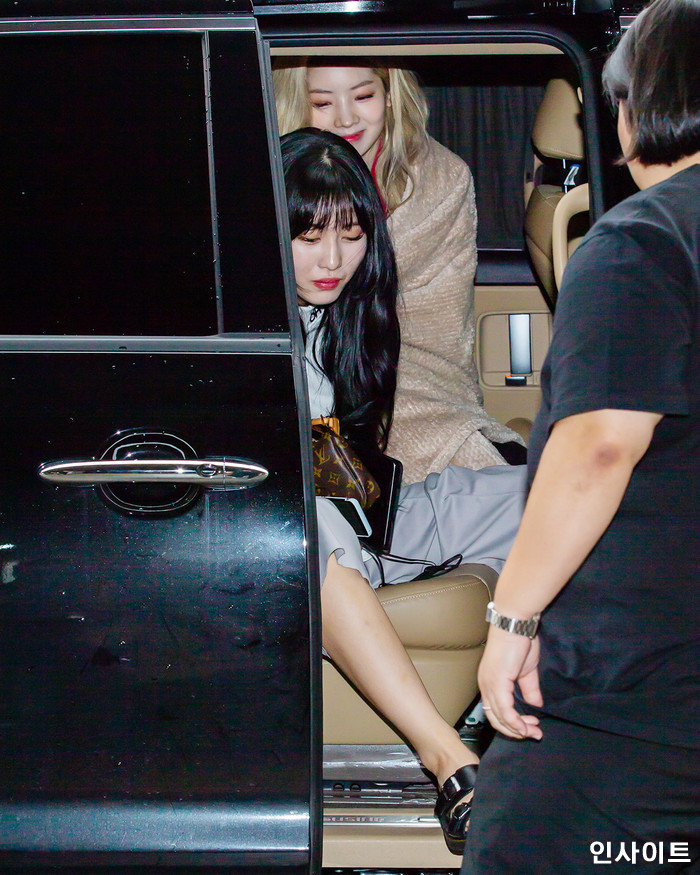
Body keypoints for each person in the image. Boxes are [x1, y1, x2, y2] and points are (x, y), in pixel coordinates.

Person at [462, 1, 700, 871]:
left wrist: (513, 618)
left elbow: (600, 444)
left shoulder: (641, 239)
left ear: (637, 109)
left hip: (634, 700)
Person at [281, 128, 527, 854]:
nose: (333, 260)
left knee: (542, 493)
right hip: (306, 533)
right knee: (310, 528)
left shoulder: (340, 315)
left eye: (351, 235)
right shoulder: (251, 332)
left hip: (368, 512)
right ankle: (449, 760)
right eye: (308, 237)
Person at [274, 61, 525, 485]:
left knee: (486, 476)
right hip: (302, 385)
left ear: (391, 94)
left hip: (401, 377)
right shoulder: (266, 175)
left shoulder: (439, 181)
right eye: (322, 102)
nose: (346, 119)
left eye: (363, 96)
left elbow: (438, 337)